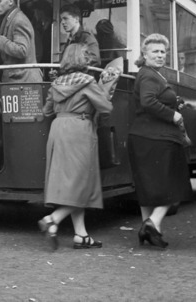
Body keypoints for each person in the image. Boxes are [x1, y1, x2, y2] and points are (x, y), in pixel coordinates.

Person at [38, 43, 113, 250]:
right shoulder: (87, 82)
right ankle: (53, 219)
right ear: (83, 60)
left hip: (58, 129)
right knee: (82, 183)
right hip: (79, 130)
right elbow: (105, 107)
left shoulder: (56, 83)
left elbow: (46, 112)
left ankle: (81, 235)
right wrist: (106, 87)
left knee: (72, 184)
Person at [128, 33, 193, 249]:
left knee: (148, 190)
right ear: (144, 55)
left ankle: (151, 230)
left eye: (163, 51)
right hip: (156, 138)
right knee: (175, 184)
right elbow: (147, 101)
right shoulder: (149, 75)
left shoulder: (153, 74)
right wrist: (172, 115)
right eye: (155, 51)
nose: (160, 55)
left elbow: (156, 98)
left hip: (145, 137)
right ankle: (153, 223)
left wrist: (176, 102)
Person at [0, 0, 42, 83]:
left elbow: (22, 50)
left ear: (10, 1)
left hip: (22, 80)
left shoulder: (18, 20)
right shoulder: (12, 19)